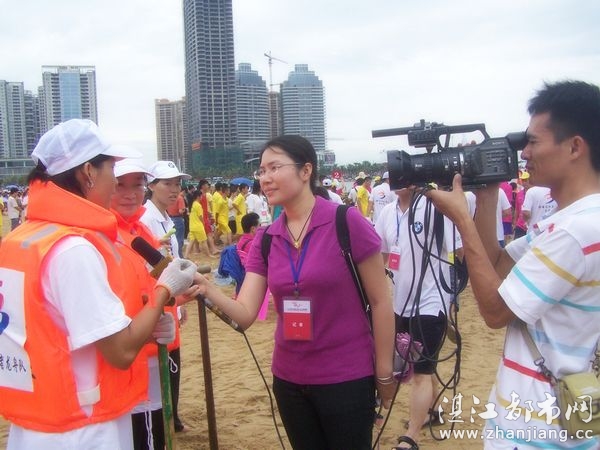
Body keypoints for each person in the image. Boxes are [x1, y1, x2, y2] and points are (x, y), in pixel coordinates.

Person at [0, 119, 197, 450]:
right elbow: (120, 351)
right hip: (82, 425)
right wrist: (165, 289)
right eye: (112, 170)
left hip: (38, 419)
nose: (115, 182)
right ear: (88, 171)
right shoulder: (73, 248)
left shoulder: (22, 238)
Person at [426, 80, 600, 449]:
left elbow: (494, 311)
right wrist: (487, 193)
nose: (524, 154)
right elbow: (498, 264)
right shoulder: (574, 221)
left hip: (541, 435)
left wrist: (462, 220)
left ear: (574, 147)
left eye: (532, 142)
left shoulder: (575, 232)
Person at [195, 135, 396, 450]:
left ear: (306, 170)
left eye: (275, 167)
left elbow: (381, 301)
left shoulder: (345, 222)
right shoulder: (266, 239)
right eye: (262, 170)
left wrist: (384, 371)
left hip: (346, 377)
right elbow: (244, 314)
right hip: (289, 381)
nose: (265, 178)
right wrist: (205, 287)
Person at [111, 156, 201, 449]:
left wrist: (177, 300)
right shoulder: (106, 234)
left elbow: (155, 276)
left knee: (155, 422)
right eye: (120, 185)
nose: (130, 194)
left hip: (154, 333)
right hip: (133, 348)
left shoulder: (139, 229)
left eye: (136, 185)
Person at [375, 187, 462, 450]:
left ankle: (411, 437)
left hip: (431, 302)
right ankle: (432, 410)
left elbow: (459, 251)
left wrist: (452, 292)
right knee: (418, 362)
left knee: (421, 372)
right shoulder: (387, 212)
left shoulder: (435, 208)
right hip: (400, 303)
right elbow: (381, 254)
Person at [140, 160, 192, 433]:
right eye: (167, 183)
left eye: (177, 184)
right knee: (161, 362)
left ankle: (172, 415)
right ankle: (165, 418)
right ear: (151, 186)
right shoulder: (146, 219)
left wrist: (180, 303)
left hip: (170, 297)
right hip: (156, 298)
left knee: (173, 360)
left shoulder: (166, 218)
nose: (174, 189)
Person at [184, 189, 215, 260]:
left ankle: (186, 255)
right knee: (204, 241)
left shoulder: (192, 204)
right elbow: (200, 217)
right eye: (201, 196)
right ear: (198, 196)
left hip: (192, 226)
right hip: (198, 226)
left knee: (191, 241)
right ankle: (209, 255)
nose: (202, 197)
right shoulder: (198, 205)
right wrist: (203, 223)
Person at [166, 186, 187, 258]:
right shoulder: (180, 198)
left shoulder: (168, 198)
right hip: (178, 219)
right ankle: (179, 256)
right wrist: (184, 210)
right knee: (179, 239)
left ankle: (174, 255)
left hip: (170, 218)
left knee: (172, 239)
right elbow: (180, 211)